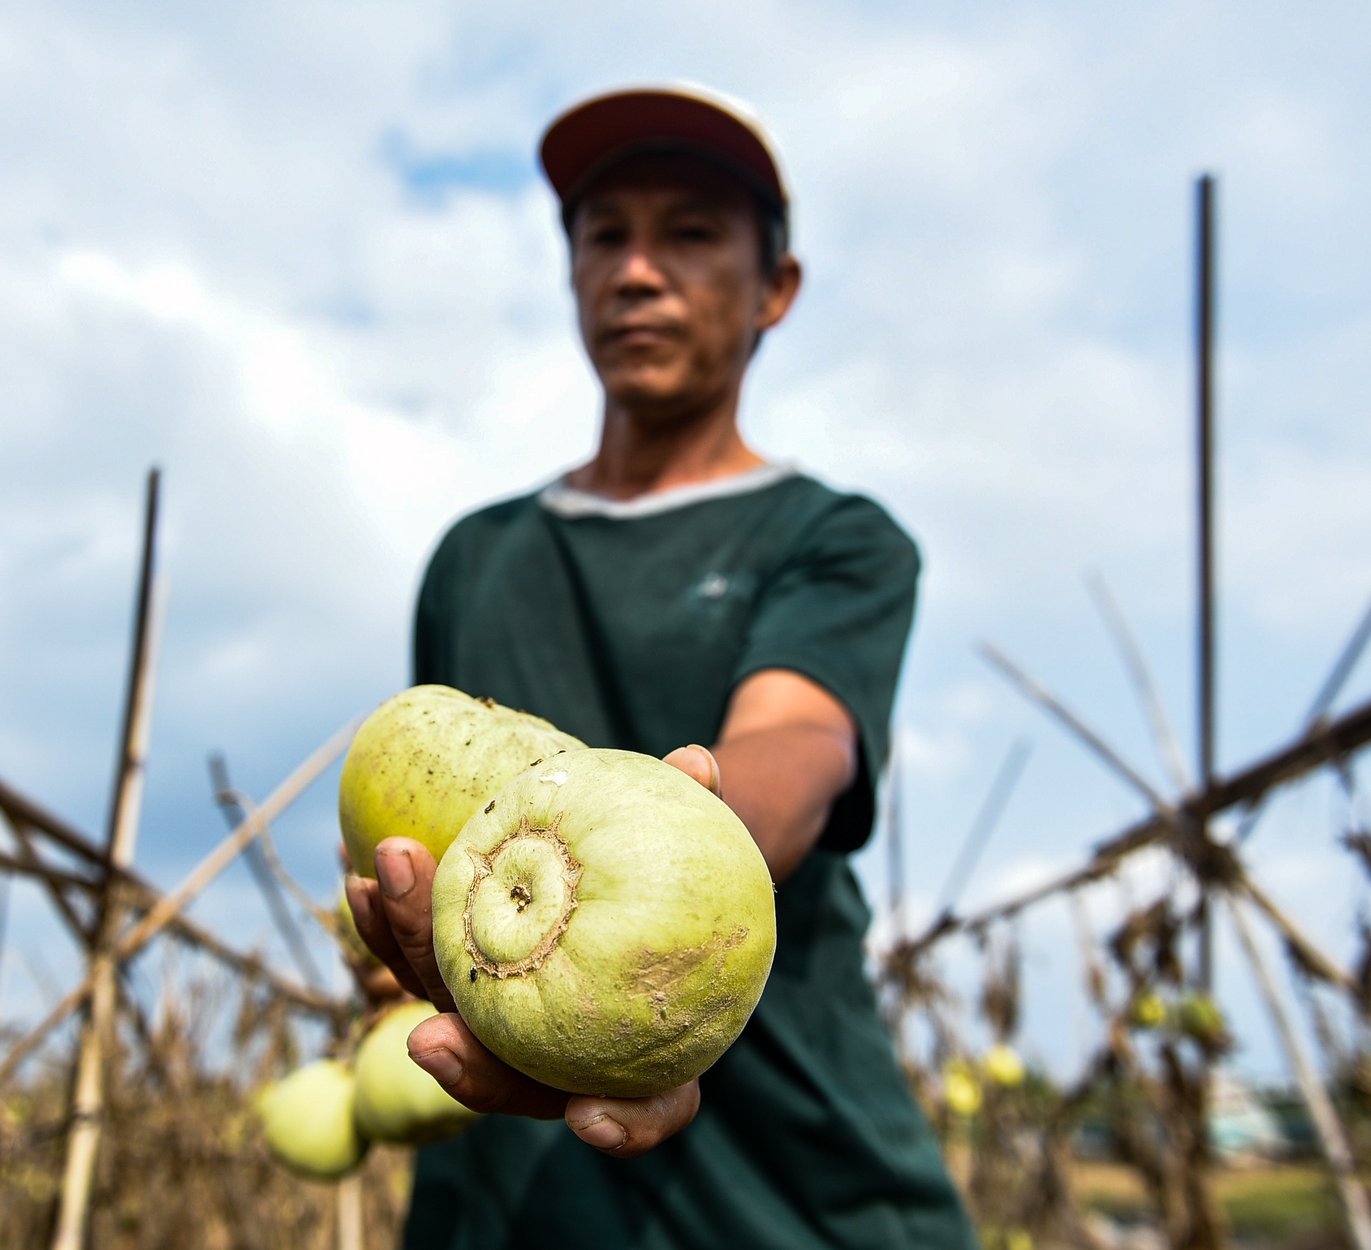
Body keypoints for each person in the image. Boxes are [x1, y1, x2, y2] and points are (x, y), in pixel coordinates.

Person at [345, 85, 976, 1250]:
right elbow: (426, 823)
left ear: (773, 289)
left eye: (688, 233)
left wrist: (679, 889)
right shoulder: (473, 558)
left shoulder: (830, 537)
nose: (637, 270)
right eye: (604, 235)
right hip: (504, 1196)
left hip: (786, 1189)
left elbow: (798, 743)